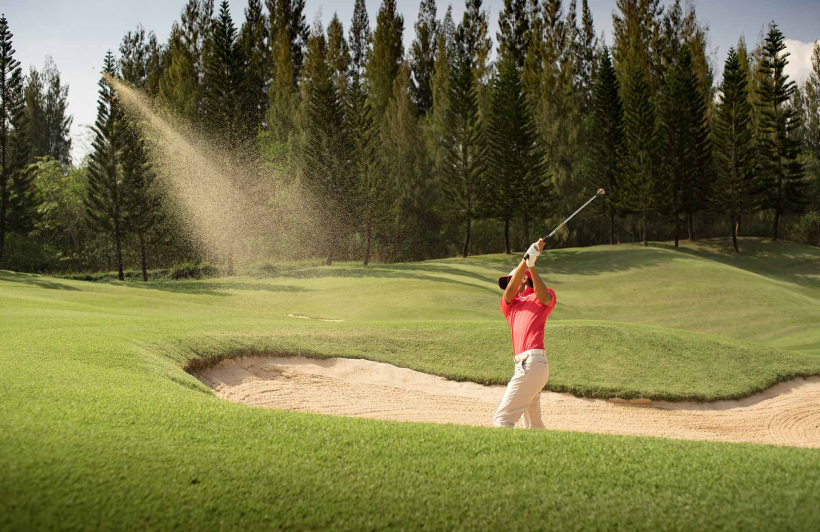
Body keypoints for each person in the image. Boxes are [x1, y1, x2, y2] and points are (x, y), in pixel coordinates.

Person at [494, 239, 556, 428]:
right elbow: (510, 291)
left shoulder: (542, 295)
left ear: (523, 278)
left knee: (502, 419)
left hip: (533, 362)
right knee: (533, 426)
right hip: (525, 366)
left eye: (511, 279)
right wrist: (526, 258)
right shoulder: (509, 305)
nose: (508, 285)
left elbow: (544, 297)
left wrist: (531, 265)